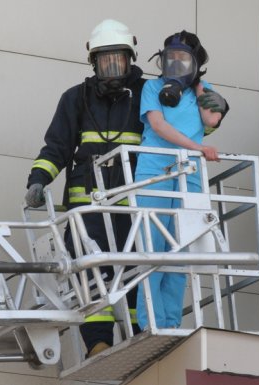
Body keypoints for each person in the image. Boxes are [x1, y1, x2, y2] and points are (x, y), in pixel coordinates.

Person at [24, 20, 228, 356]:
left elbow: (183, 126)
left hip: (135, 201)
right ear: (94, 63)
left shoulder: (149, 92)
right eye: (105, 62)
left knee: (138, 268)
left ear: (130, 58)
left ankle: (142, 337)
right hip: (87, 205)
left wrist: (216, 109)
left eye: (118, 60)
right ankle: (99, 341)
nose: (112, 69)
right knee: (93, 273)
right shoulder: (76, 99)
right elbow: (56, 147)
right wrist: (38, 179)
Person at [134, 30, 226, 331]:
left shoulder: (202, 89)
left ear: (196, 62)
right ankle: (152, 326)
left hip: (190, 176)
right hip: (155, 171)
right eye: (170, 58)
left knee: (180, 254)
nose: (175, 64)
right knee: (152, 250)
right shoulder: (151, 87)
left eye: (183, 59)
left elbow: (212, 120)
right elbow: (158, 126)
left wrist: (197, 84)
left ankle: (171, 326)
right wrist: (197, 147)